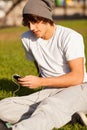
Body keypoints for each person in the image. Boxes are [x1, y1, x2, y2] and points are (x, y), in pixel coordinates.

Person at [0, 0, 87, 130]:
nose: (31, 28)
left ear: (46, 18)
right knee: (5, 106)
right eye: (28, 23)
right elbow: (40, 67)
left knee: (51, 106)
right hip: (50, 89)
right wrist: (32, 81)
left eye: (35, 21)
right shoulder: (27, 38)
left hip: (80, 88)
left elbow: (77, 77)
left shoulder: (70, 37)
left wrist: (40, 82)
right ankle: (70, 117)